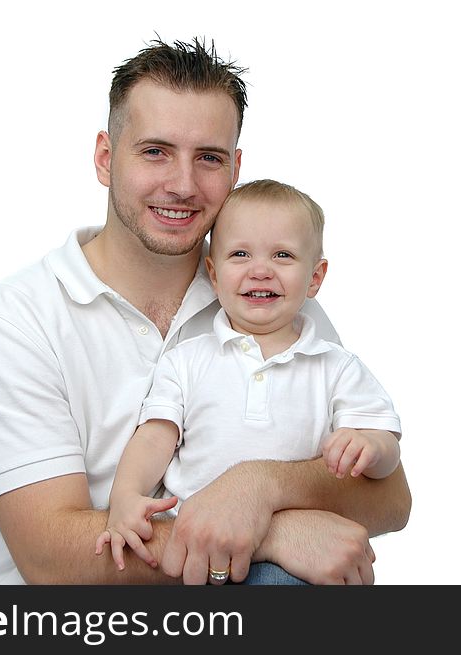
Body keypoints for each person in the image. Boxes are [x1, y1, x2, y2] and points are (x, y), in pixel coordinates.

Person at [0, 37, 411, 585]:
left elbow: (390, 498)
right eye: (155, 151)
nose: (182, 184)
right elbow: (51, 557)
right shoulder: (15, 321)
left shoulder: (267, 298)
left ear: (236, 167)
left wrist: (260, 486)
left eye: (209, 158)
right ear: (105, 158)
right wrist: (265, 534)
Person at [95, 180, 402, 584]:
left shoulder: (336, 365)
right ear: (214, 275)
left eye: (283, 255)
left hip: (298, 559)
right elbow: (155, 438)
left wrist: (370, 447)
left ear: (315, 277)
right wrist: (125, 497)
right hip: (198, 551)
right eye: (240, 254)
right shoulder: (187, 360)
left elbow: (387, 452)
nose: (261, 270)